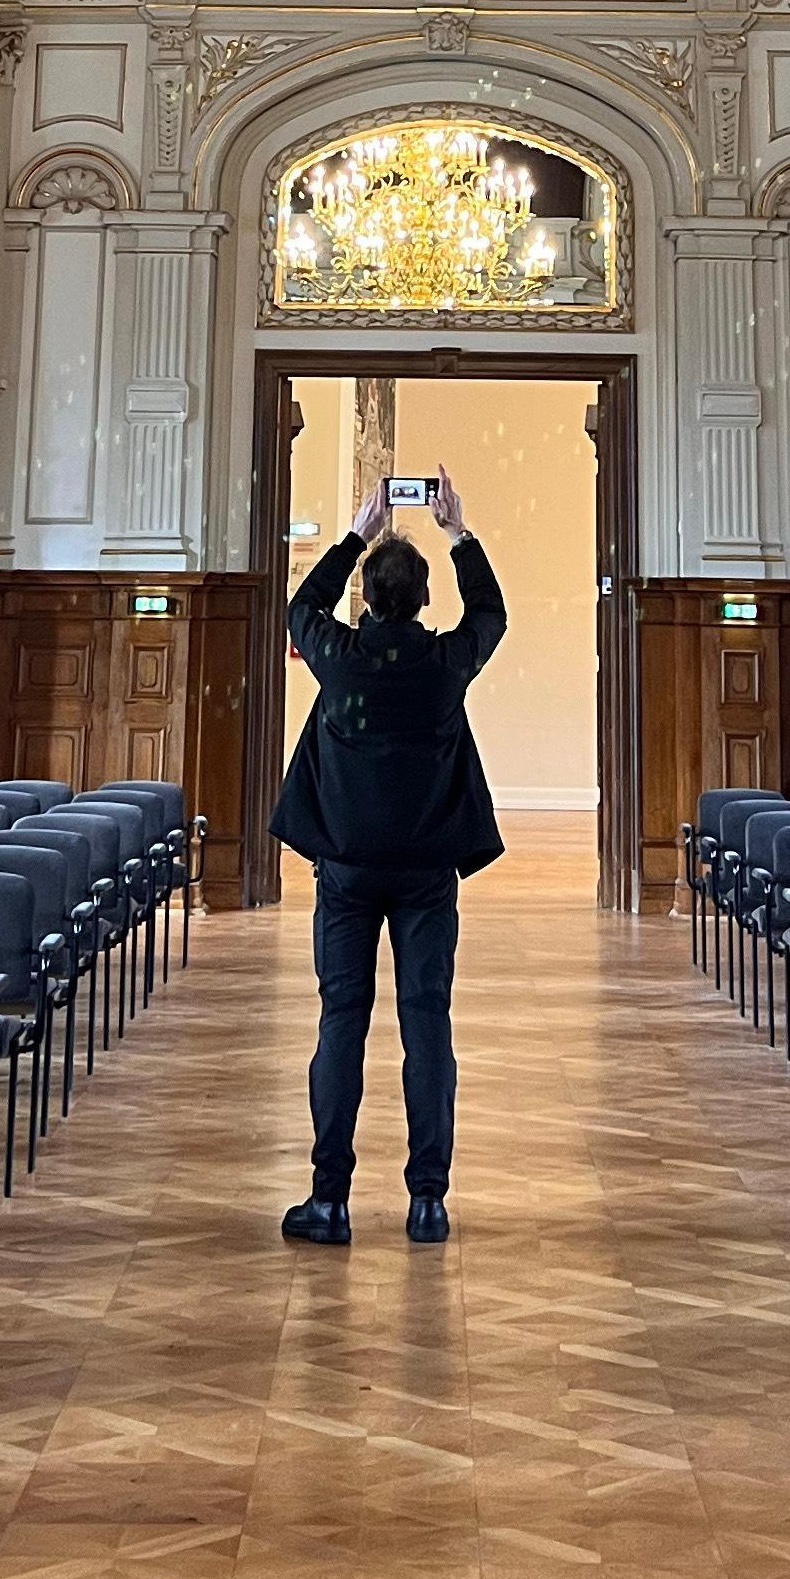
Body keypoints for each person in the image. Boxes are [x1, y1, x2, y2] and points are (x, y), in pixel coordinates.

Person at [268, 464, 506, 1248]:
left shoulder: (338, 657)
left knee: (341, 1022)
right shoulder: (443, 668)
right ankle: (428, 1201)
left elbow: (301, 605)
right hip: (426, 874)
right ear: (427, 598)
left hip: (345, 869)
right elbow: (492, 616)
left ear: (366, 599)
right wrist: (460, 532)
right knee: (426, 1024)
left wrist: (354, 535)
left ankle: (329, 1199)